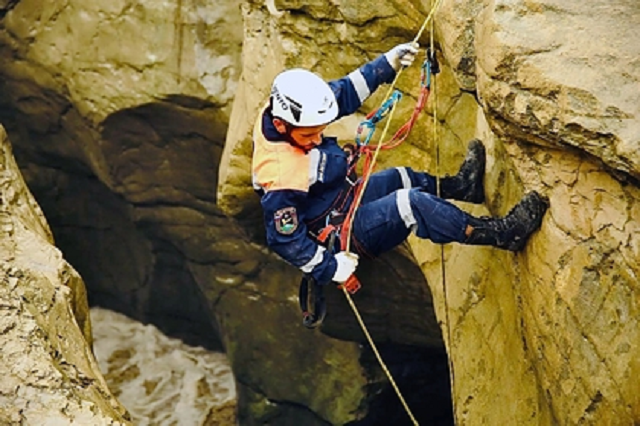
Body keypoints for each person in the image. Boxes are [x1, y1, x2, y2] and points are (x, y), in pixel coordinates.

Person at [251, 43, 548, 286]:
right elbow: (283, 239)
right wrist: (329, 267)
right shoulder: (280, 175)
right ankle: (503, 234)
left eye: (319, 130)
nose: (317, 139)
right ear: (281, 125)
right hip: (341, 232)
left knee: (399, 177)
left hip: (341, 199)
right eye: (309, 135)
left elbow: (340, 94)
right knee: (409, 205)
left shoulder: (285, 109)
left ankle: (463, 187)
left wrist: (385, 65)